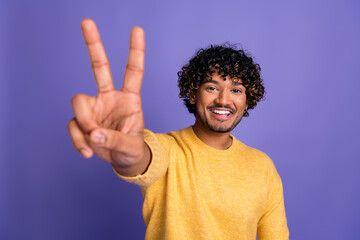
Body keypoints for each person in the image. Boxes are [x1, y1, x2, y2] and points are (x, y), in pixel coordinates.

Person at [68, 19, 289, 240]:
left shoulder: (262, 167)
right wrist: (127, 149)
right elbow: (141, 157)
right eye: (212, 87)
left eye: (236, 90)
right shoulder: (167, 149)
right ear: (193, 93)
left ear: (247, 101)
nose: (224, 99)